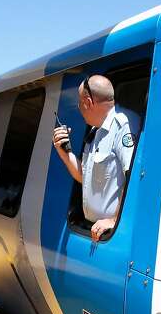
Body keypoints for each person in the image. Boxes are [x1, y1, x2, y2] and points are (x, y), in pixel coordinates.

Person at [52, 75, 135, 240]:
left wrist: (114, 220)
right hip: (94, 229)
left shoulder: (123, 125)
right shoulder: (95, 131)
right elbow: (85, 177)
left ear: (88, 102)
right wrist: (64, 152)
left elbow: (133, 176)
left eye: (79, 102)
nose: (78, 107)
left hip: (112, 235)